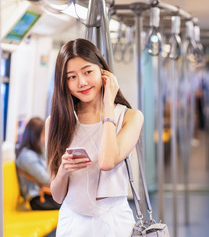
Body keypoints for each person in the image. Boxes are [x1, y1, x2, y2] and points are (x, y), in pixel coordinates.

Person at [46, 38, 143, 236]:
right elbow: (57, 196)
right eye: (71, 77)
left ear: (103, 71)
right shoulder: (56, 122)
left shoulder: (130, 117)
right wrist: (64, 170)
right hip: (72, 223)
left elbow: (107, 161)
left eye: (87, 72)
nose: (81, 82)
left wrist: (108, 105)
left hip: (114, 222)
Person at [15, 117, 61, 210]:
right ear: (35, 136)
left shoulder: (35, 153)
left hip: (44, 196)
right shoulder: (27, 157)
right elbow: (46, 179)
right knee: (70, 204)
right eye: (44, 134)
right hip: (38, 199)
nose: (45, 138)